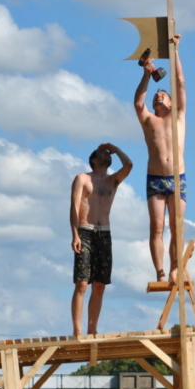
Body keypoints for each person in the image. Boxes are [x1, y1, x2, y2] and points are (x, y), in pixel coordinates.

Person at [134, 33, 186, 283]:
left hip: (177, 178)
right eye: (157, 95)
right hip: (155, 179)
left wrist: (174, 51)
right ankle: (161, 271)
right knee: (157, 227)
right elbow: (137, 103)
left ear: (172, 102)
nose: (159, 96)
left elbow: (180, 82)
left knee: (177, 227)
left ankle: (176, 268)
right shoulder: (149, 121)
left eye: (163, 95)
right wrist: (146, 74)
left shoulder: (178, 117)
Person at [69, 143, 132, 336]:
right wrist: (75, 234)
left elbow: (129, 165)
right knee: (81, 282)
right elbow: (74, 207)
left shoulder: (113, 180)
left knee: (100, 285)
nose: (107, 155)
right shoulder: (82, 178)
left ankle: (92, 327)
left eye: (108, 154)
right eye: (103, 153)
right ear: (94, 160)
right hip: (85, 230)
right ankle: (77, 329)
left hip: (104, 232)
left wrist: (115, 148)